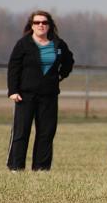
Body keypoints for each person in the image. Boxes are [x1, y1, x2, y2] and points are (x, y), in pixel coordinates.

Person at [6, 10, 74, 171]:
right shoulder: (23, 44)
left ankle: (41, 168)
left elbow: (69, 61)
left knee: (46, 132)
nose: (41, 25)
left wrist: (60, 76)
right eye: (37, 22)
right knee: (21, 131)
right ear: (31, 25)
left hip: (49, 95)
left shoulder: (58, 44)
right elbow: (13, 68)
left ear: (50, 25)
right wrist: (13, 90)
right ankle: (16, 167)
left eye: (44, 22)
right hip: (24, 95)